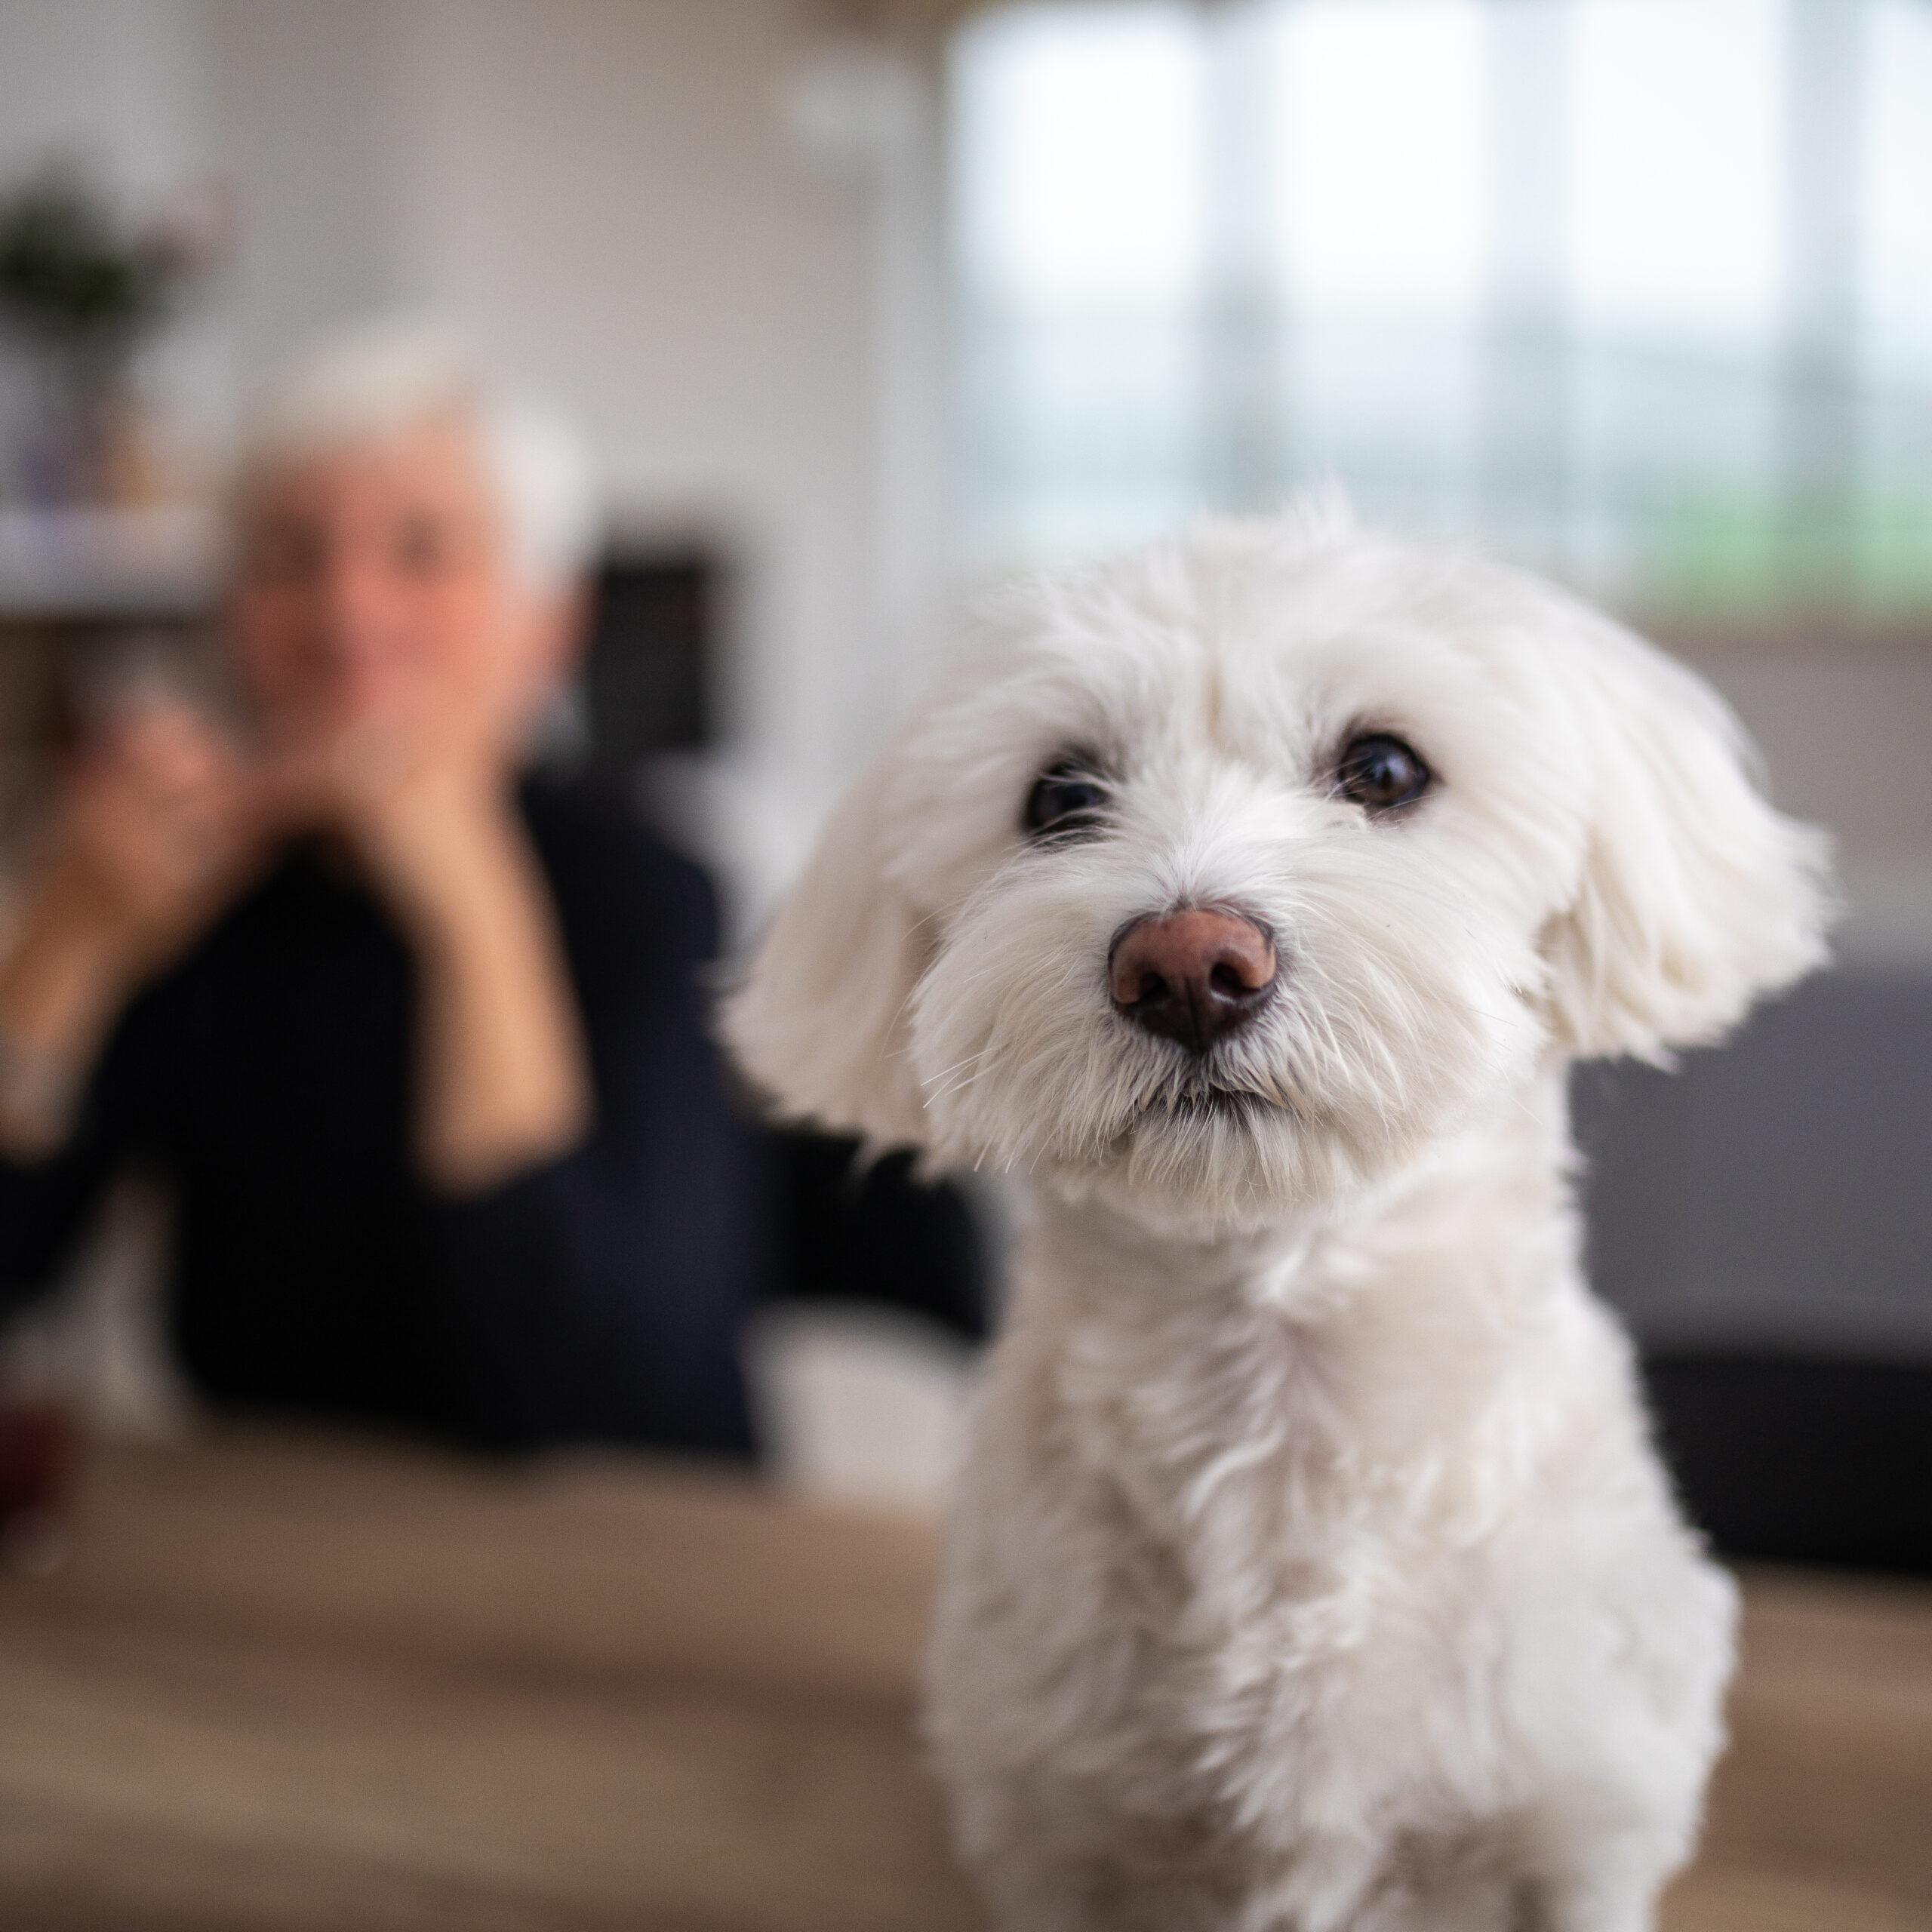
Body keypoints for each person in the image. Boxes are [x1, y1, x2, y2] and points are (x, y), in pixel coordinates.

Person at [0, 327, 983, 1456]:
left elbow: (576, 1397)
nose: (348, 613)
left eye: (422, 552)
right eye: (289, 555)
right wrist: (65, 942)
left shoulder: (648, 887)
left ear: (545, 628)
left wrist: (471, 905)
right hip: (282, 1556)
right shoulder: (179, 895)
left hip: (607, 1569)